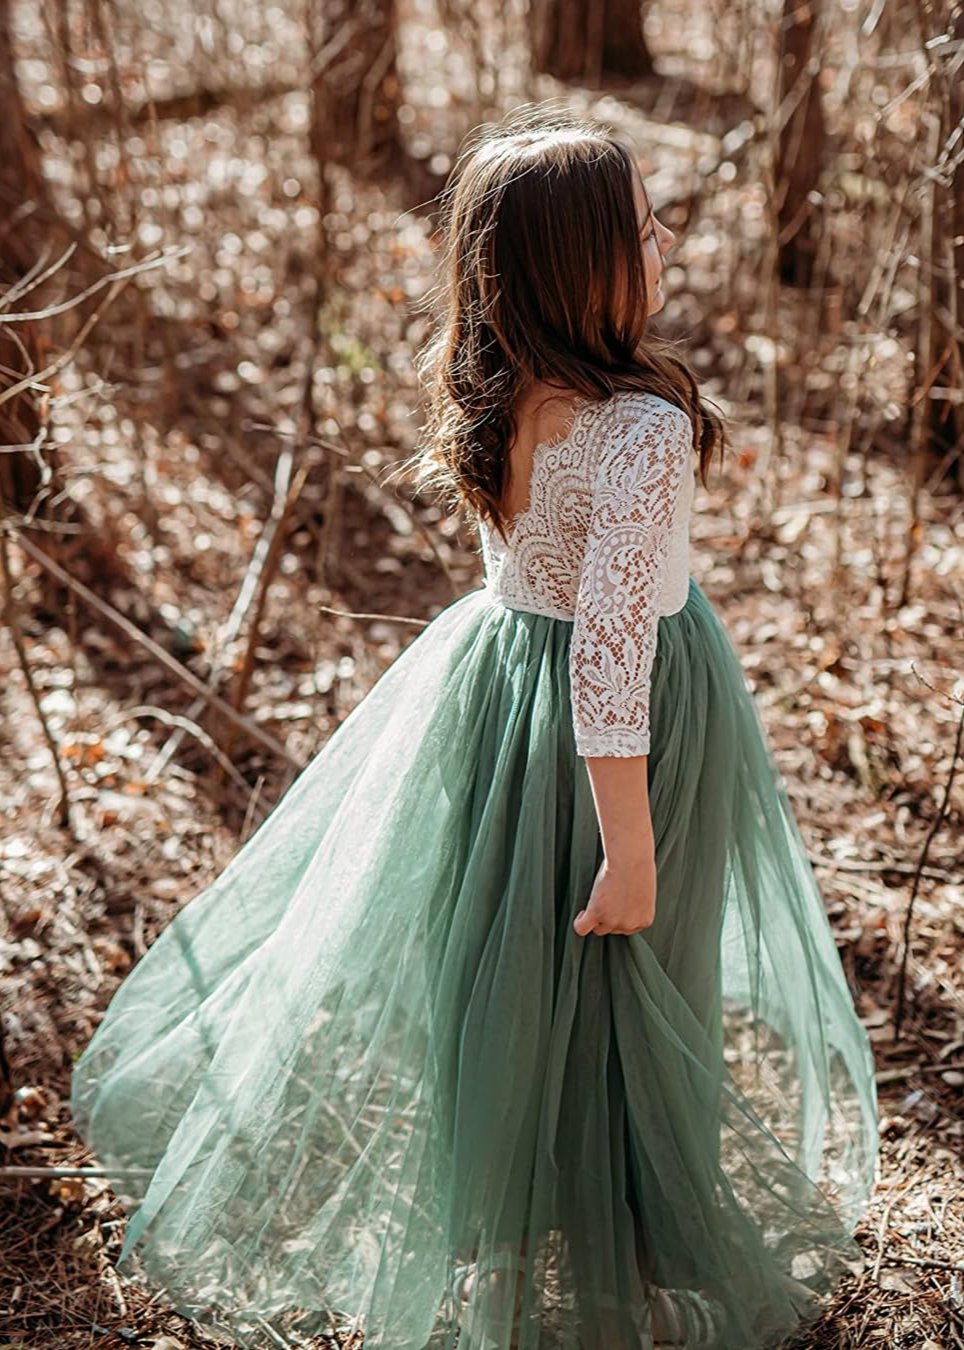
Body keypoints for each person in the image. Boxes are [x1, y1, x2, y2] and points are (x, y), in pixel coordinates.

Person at [70, 103, 879, 1350]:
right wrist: (630, 842)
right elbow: (611, 649)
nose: (665, 237)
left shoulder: (502, 394)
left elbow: (549, 605)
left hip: (500, 696)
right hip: (627, 734)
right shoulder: (642, 426)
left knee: (511, 977)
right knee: (633, 983)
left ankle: (505, 1245)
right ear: (578, 265)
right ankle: (642, 1265)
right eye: (640, 224)